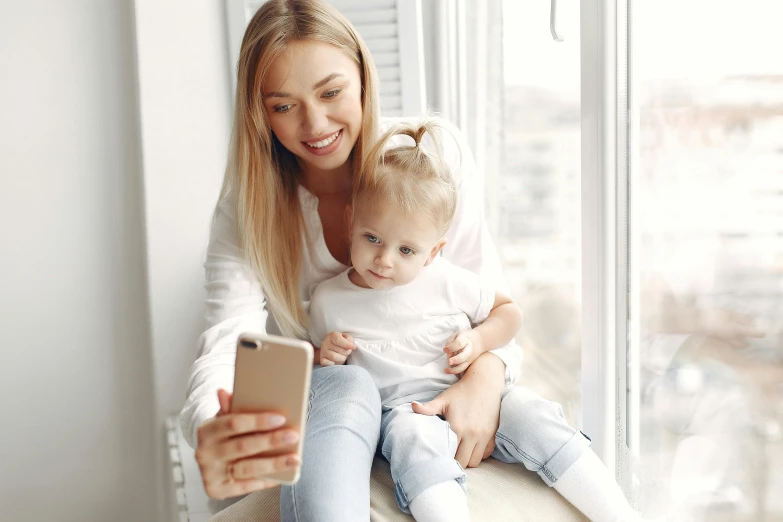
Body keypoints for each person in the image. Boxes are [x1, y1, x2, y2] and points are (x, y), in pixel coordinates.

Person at [180, 1, 522, 520]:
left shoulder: (430, 156)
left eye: (331, 92)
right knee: (346, 383)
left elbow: (488, 301)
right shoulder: (246, 208)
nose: (314, 124)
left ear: (364, 77)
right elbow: (226, 344)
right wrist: (215, 424)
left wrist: (487, 375)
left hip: (424, 405)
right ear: (259, 112)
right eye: (283, 105)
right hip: (335, 403)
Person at [308, 118, 641, 522]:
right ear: (350, 223)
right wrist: (327, 354)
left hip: (481, 398)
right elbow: (319, 373)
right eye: (372, 238)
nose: (385, 259)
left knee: (533, 414)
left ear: (433, 253)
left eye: (407, 250)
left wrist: (481, 341)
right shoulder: (329, 300)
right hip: (407, 412)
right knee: (411, 437)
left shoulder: (446, 280)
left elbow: (509, 312)